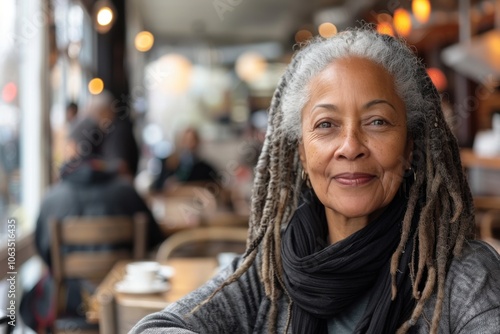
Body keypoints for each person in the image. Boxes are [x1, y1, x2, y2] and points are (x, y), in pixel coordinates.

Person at [131, 27, 500, 333]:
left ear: (408, 150)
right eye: (326, 125)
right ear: (303, 155)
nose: (351, 147)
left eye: (377, 122)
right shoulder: (268, 271)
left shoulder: (461, 277)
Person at [33, 117, 164, 323]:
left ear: (74, 147)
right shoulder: (127, 191)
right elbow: (154, 238)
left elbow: (44, 252)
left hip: (71, 305)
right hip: (125, 302)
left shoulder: (52, 198)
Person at [150, 127, 219, 192]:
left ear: (197, 143)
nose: (189, 144)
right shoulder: (169, 164)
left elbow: (216, 186)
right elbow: (157, 187)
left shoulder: (205, 168)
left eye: (192, 140)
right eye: (186, 140)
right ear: (180, 142)